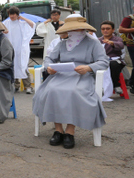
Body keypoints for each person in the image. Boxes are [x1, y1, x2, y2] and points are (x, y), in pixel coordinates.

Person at [32, 16, 109, 149]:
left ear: (83, 28)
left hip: (82, 76)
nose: (74, 31)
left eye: (76, 29)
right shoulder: (62, 43)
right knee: (51, 90)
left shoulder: (93, 43)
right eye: (71, 29)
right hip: (61, 75)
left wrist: (88, 68)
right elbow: (49, 58)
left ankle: (70, 131)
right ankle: (58, 130)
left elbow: (103, 62)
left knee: (74, 92)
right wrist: (49, 67)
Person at [2, 6, 35, 93]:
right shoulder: (6, 23)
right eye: (10, 14)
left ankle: (28, 86)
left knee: (23, 66)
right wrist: (3, 31)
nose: (12, 16)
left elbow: (32, 25)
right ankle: (16, 85)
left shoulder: (21, 23)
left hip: (21, 48)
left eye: (13, 14)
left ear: (17, 14)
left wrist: (22, 18)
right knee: (13, 66)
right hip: (10, 48)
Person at [98, 21, 125, 95]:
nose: (105, 30)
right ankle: (97, 87)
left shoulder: (117, 39)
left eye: (108, 28)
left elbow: (121, 45)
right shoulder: (98, 40)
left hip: (115, 60)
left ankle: (115, 85)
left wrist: (111, 43)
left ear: (113, 30)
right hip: (100, 61)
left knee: (112, 65)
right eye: (103, 29)